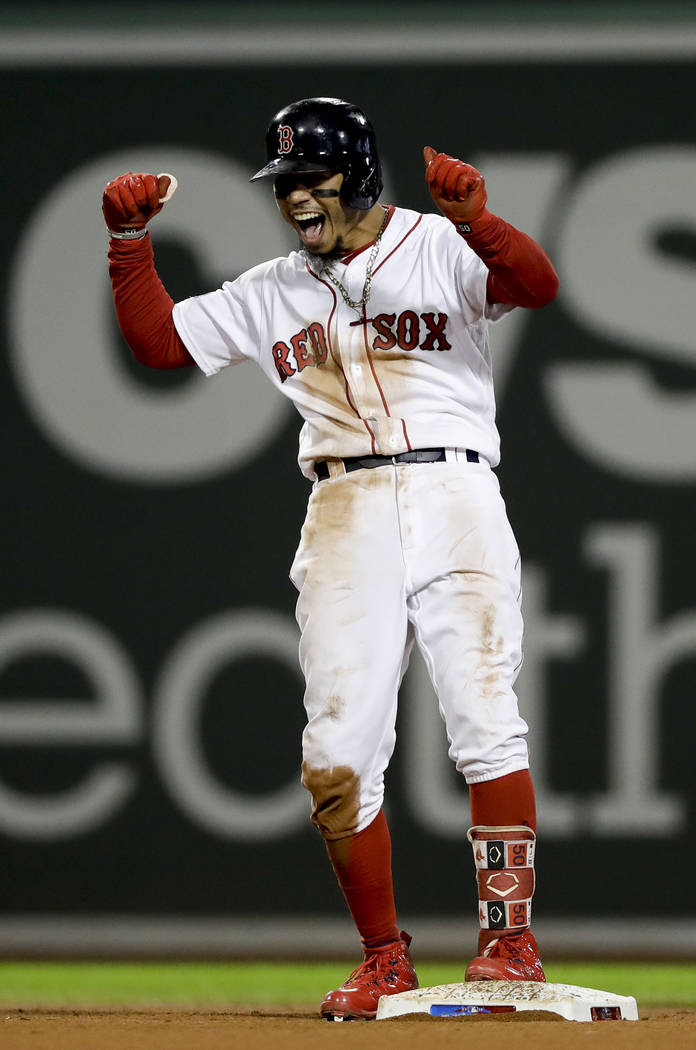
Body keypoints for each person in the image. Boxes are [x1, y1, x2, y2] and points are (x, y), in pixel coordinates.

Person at [102, 96, 559, 1021]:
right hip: (344, 502)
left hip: (453, 488)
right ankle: (384, 957)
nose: (295, 197)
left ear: (355, 173)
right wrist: (126, 245)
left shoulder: (437, 245)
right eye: (284, 183)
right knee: (336, 755)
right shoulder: (272, 286)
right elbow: (159, 343)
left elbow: (536, 284)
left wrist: (478, 220)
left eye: (310, 178)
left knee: (483, 710)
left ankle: (508, 941)